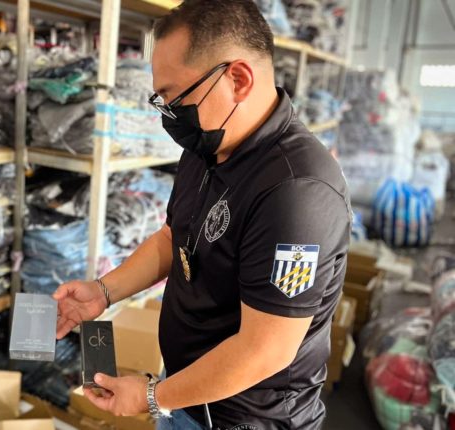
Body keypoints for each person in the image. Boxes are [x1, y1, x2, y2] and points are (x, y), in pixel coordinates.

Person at [52, 1, 351, 429]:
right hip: (187, 397)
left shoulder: (296, 191)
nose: (169, 113)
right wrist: (103, 291)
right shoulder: (208, 146)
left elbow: (265, 350)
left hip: (242, 419)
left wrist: (153, 396)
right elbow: (173, 238)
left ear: (238, 79)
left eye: (175, 96)